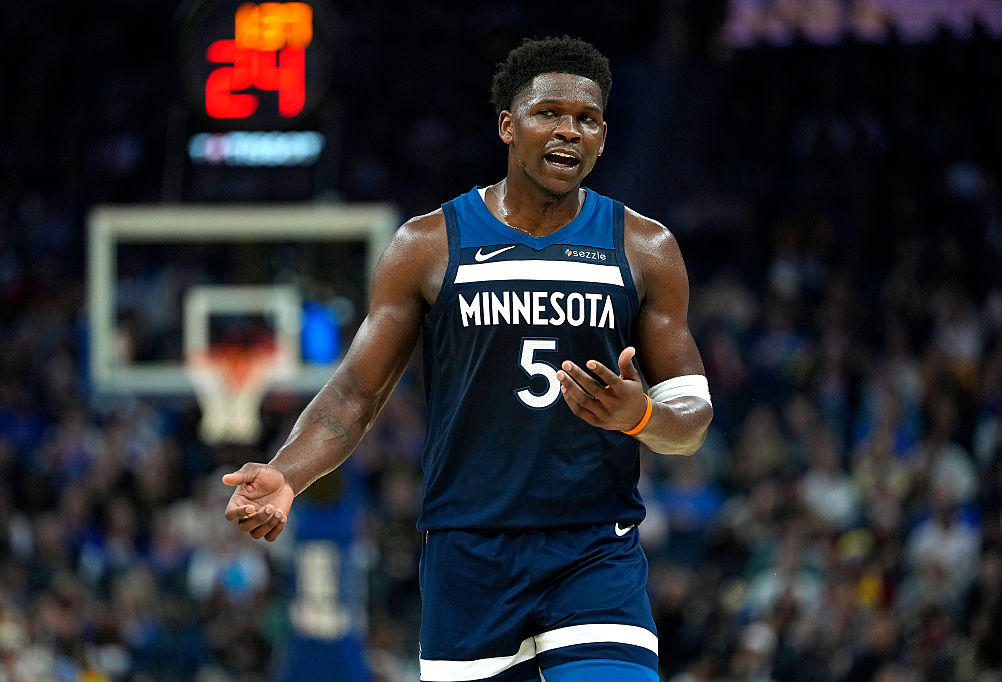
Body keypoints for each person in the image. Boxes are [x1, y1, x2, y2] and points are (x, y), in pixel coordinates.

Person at [222, 36, 713, 682]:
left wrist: (641, 415)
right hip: (469, 555)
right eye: (549, 113)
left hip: (594, 548)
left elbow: (692, 417)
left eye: (587, 119)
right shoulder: (428, 245)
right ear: (508, 126)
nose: (569, 130)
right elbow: (354, 394)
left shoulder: (645, 247)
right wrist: (288, 474)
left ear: (602, 138)